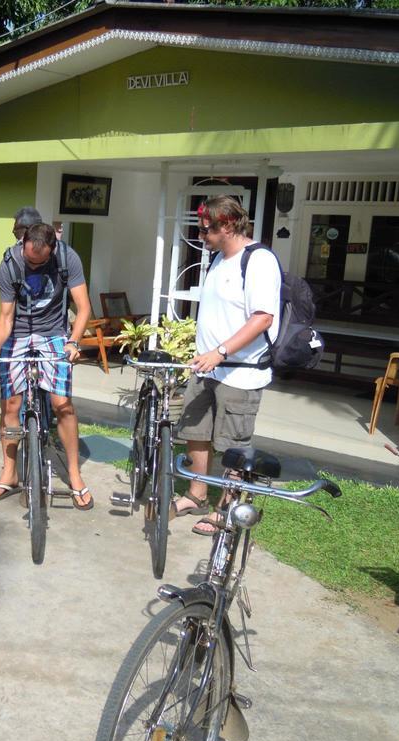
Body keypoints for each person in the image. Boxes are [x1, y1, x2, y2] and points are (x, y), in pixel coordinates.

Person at [173, 195, 282, 534]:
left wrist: (220, 351)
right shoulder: (219, 259)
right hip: (207, 367)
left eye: (206, 229)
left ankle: (228, 508)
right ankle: (196, 494)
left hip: (240, 371)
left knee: (233, 444)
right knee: (196, 432)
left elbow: (262, 318)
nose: (201, 236)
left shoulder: (259, 260)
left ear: (229, 225)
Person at [0, 219, 94, 508]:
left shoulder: (68, 258)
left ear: (52, 251)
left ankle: (74, 474)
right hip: (17, 333)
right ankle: (9, 473)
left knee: (62, 403)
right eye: (28, 259)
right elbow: (6, 317)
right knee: (11, 404)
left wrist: (73, 342)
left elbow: (83, 308)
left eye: (37, 262)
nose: (31, 265)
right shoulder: (11, 262)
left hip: (54, 333)